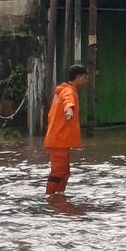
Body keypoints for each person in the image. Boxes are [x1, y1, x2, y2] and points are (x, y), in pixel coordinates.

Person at [44, 64, 89, 194]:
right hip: (59, 139)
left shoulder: (62, 90)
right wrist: (69, 110)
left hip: (59, 138)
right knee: (59, 171)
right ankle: (50, 197)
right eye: (85, 78)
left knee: (64, 172)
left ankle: (58, 197)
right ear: (78, 77)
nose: (86, 81)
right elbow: (68, 102)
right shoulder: (69, 91)